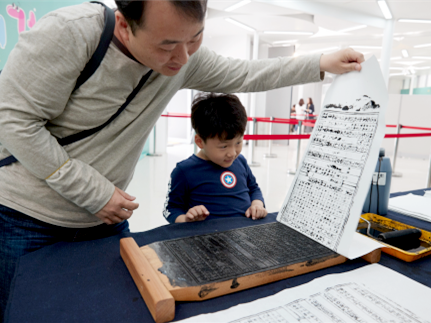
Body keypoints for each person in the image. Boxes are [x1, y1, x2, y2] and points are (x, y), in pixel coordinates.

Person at [0, 0, 364, 318]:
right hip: (26, 219)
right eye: (167, 45)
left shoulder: (184, 57)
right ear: (125, 25)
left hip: (105, 219)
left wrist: (320, 62)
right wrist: (93, 193)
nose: (183, 58)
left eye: (195, 37)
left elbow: (246, 73)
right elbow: (13, 121)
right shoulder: (70, 34)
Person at [163, 93, 267, 224]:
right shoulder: (184, 171)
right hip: (208, 239)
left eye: (238, 143)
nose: (232, 153)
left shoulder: (240, 161)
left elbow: (253, 188)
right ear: (200, 141)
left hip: (245, 233)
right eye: (224, 146)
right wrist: (186, 219)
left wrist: (257, 204)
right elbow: (170, 209)